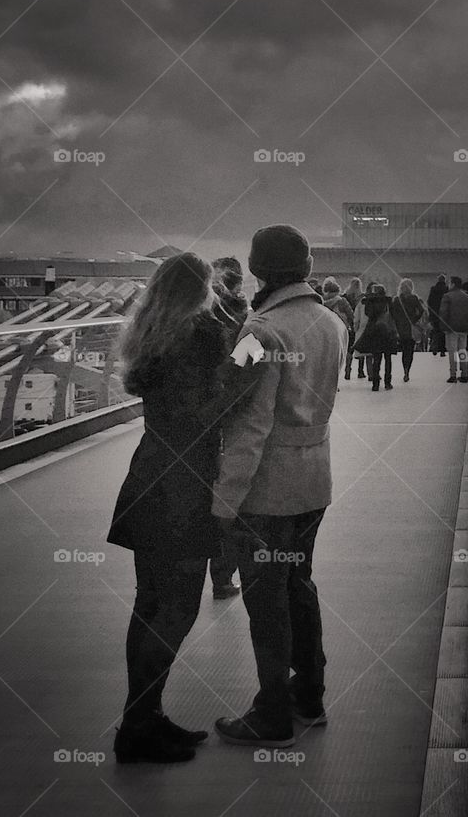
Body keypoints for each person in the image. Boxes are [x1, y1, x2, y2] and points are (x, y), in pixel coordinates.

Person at [212, 225, 347, 748]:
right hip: (315, 479)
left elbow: (246, 423)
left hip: (267, 490)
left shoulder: (259, 333)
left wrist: (224, 501)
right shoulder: (333, 323)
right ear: (307, 267)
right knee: (299, 585)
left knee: (266, 601)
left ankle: (270, 716)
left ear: (256, 270)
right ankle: (309, 696)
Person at [108, 253, 227, 764]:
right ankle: (138, 725)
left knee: (149, 602)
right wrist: (245, 377)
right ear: (202, 288)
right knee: (179, 607)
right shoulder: (202, 334)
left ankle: (145, 716)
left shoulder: (150, 333)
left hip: (149, 472)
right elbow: (206, 411)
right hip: (187, 484)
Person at [209, 256, 249, 600]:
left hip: (201, 421)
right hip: (235, 418)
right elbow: (246, 367)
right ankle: (223, 576)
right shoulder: (249, 319)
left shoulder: (196, 317)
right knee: (232, 495)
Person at [354, 283, 398, 391]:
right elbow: (394, 316)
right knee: (388, 359)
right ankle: (387, 382)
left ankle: (375, 383)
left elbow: (368, 314)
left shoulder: (370, 302)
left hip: (375, 332)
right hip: (387, 332)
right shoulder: (388, 302)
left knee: (376, 358)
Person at [438, 276, 468, 383]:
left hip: (451, 329)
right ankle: (464, 374)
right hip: (464, 328)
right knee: (462, 350)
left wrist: (443, 327)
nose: (448, 285)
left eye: (449, 283)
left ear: (453, 284)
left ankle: (453, 374)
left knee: (452, 352)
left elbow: (443, 313)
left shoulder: (447, 296)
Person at [389, 278, 425, 382]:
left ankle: (404, 368)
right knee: (409, 351)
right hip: (410, 327)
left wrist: (397, 321)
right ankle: (407, 370)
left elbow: (392, 313)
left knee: (404, 350)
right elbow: (421, 310)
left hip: (400, 328)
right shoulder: (414, 298)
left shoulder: (396, 299)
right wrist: (414, 319)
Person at [322, 277, 355, 381]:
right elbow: (351, 315)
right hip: (342, 330)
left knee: (329, 354)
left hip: (326, 331)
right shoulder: (342, 301)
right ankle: (347, 368)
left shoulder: (322, 302)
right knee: (347, 351)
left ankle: (329, 376)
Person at [345, 278, 366, 378]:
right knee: (361, 349)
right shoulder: (362, 297)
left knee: (349, 349)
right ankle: (360, 371)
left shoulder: (346, 296)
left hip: (349, 326)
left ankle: (347, 370)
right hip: (359, 326)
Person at [426, 274, 449, 356]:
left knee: (436, 331)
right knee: (443, 333)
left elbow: (429, 302)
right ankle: (442, 350)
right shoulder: (447, 290)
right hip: (444, 315)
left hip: (435, 314)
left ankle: (434, 347)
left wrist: (431, 313)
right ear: (444, 280)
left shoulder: (433, 289)